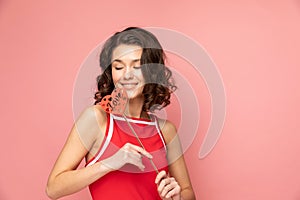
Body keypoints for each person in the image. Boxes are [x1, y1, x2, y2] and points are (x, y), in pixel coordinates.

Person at [46, 27, 196, 200]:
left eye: (137, 66)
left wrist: (178, 197)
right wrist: (110, 163)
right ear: (111, 72)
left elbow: (188, 192)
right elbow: (53, 188)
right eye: (118, 67)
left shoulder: (166, 131)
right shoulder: (96, 119)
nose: (127, 75)